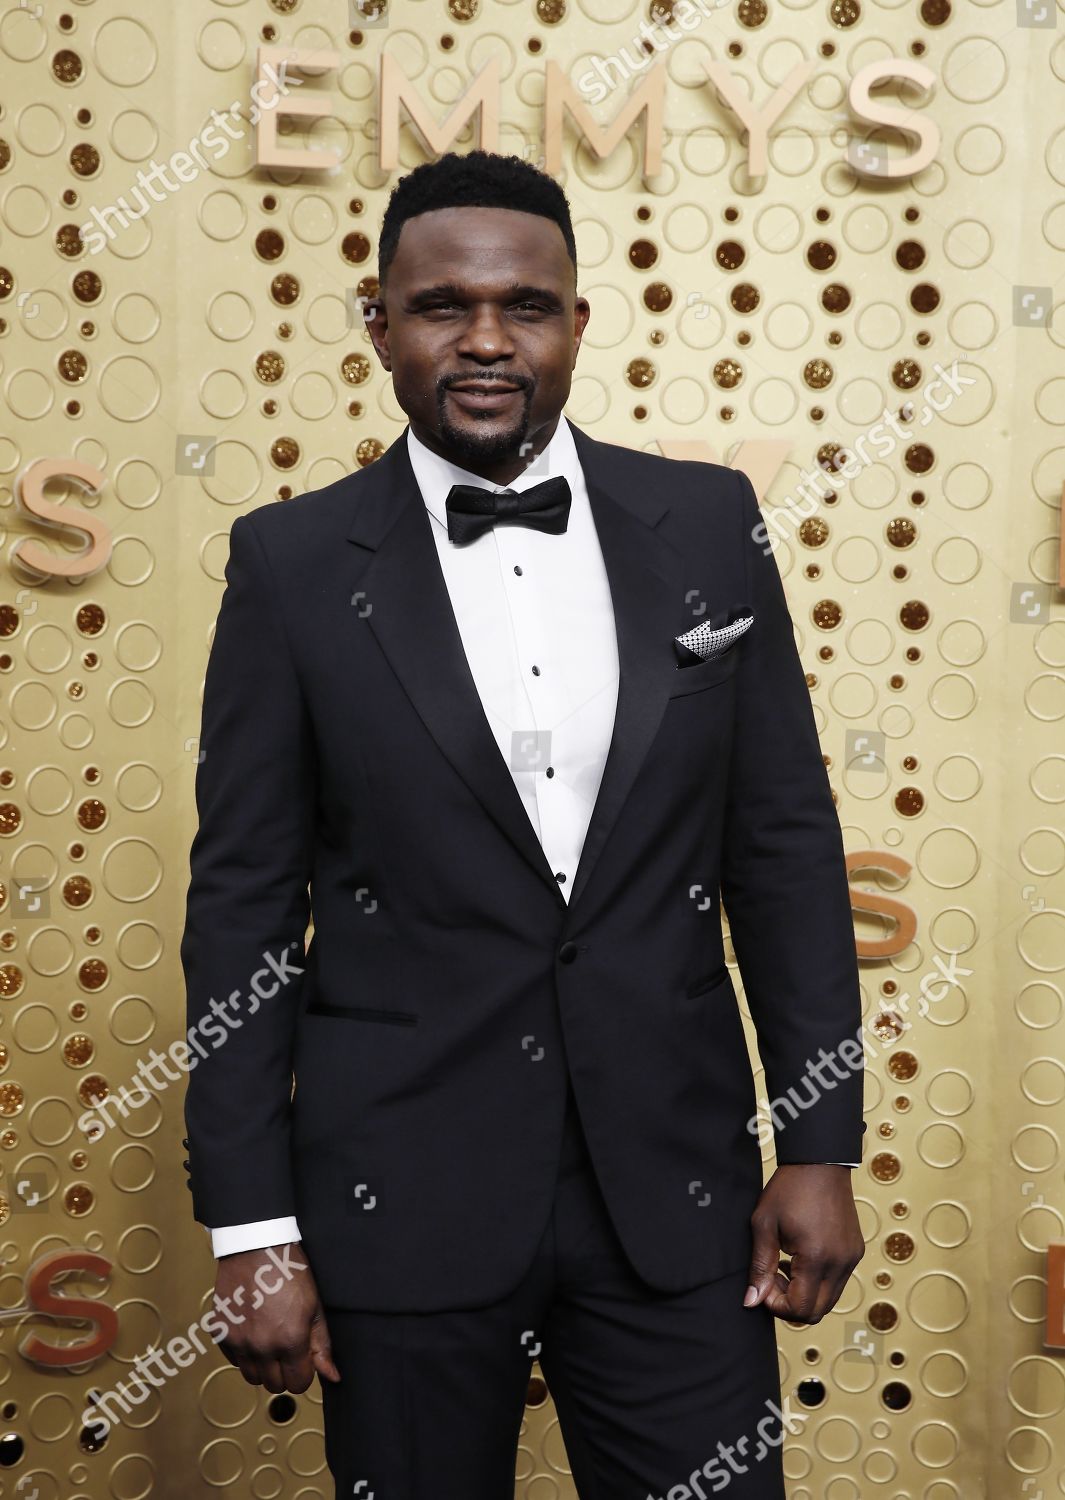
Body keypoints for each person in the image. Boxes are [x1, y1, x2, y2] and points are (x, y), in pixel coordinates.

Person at [181, 148, 866, 1499]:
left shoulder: (708, 523)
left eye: (527, 307)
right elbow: (244, 906)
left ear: (575, 322)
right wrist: (251, 1225)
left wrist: (819, 1144)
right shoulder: (293, 564)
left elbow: (779, 850)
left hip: (671, 1187)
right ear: (377, 324)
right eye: (442, 305)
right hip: (400, 1187)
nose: (487, 340)